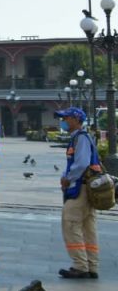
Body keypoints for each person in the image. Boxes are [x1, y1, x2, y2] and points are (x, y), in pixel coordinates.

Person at [56, 107, 101, 280]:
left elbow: (81, 163)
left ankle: (80, 266)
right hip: (87, 188)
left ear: (76, 120)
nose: (63, 121)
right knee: (88, 227)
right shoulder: (81, 137)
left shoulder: (80, 138)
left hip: (80, 188)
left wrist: (67, 179)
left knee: (70, 223)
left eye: (66, 118)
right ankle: (91, 265)